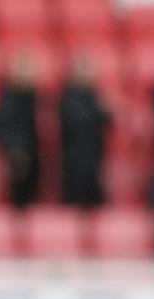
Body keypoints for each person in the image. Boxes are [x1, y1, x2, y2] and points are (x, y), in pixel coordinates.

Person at [60, 54, 111, 210]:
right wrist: (100, 110)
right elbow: (77, 122)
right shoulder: (69, 96)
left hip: (94, 156)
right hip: (74, 159)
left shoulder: (95, 95)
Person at [0, 53, 41, 210]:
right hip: (20, 157)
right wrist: (15, 149)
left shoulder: (37, 98)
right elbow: (0, 128)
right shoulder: (8, 99)